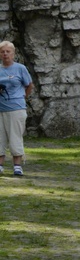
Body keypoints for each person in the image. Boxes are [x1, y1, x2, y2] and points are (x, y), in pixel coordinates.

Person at [0, 41, 33, 176]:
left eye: (8, 51)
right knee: (0, 137)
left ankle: (17, 166)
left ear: (13, 54)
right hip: (0, 108)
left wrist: (22, 97)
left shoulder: (20, 68)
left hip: (16, 108)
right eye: (3, 51)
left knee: (15, 137)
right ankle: (0, 165)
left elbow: (29, 85)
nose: (5, 54)